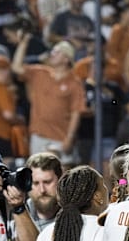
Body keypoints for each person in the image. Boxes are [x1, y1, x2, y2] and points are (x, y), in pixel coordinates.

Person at [12, 33, 86, 165]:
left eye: (57, 52)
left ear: (66, 59)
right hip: (39, 135)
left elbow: (76, 112)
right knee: (37, 172)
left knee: (62, 176)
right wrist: (23, 45)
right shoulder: (40, 73)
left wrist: (69, 138)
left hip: (61, 137)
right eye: (53, 51)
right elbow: (16, 67)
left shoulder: (74, 83)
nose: (52, 54)